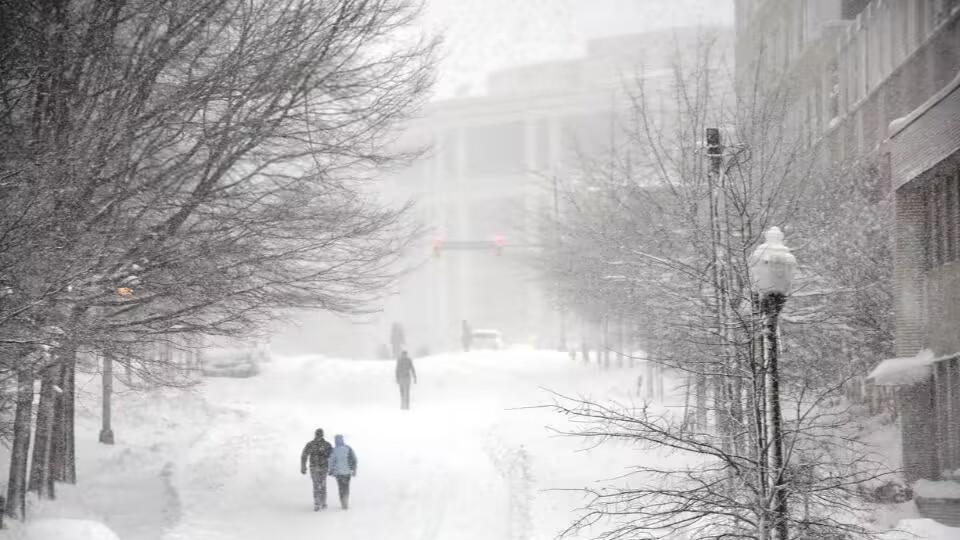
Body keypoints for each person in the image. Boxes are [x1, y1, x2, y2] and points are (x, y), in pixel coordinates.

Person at [301, 428, 333, 511]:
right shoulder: (312, 444)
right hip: (316, 467)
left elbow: (332, 457)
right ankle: (318, 503)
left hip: (322, 467)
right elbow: (304, 455)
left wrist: (303, 467)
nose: (319, 436)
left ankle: (321, 503)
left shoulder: (325, 445)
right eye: (318, 434)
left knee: (320, 485)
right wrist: (303, 467)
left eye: (320, 434)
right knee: (318, 485)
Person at [328, 434, 358, 509]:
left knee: (341, 487)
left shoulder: (334, 450)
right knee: (346, 487)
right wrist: (354, 469)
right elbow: (354, 459)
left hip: (338, 473)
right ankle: (346, 500)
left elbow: (331, 462)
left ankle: (342, 502)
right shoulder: (348, 448)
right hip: (347, 472)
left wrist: (331, 470)